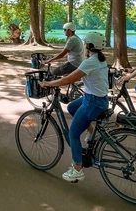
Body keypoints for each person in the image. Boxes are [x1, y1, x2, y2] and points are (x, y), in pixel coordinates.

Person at [40, 32, 109, 182]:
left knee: (73, 134)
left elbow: (70, 78)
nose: (83, 46)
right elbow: (84, 76)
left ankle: (77, 169)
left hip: (93, 102)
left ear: (89, 46)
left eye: (85, 44)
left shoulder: (90, 62)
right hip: (99, 99)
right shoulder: (99, 59)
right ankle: (92, 133)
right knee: (72, 107)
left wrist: (48, 83)